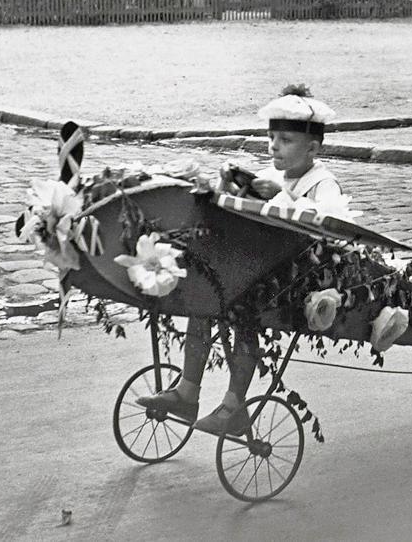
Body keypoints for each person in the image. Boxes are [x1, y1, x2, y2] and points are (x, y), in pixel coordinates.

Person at [137, 85, 349, 435]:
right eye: (271, 138)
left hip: (291, 278)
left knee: (247, 314)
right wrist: (229, 185)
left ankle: (234, 406)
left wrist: (281, 196)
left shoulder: (323, 183)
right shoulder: (270, 176)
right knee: (204, 305)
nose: (274, 147)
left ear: (313, 147)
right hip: (254, 266)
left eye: (285, 140)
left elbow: (330, 225)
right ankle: (187, 392)